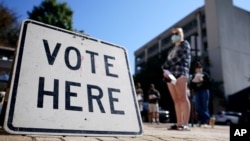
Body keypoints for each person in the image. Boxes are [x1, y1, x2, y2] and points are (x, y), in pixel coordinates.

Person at [162, 27, 191, 130]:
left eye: (177, 33)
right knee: (176, 100)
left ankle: (185, 124)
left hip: (180, 73)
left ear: (182, 34)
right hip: (170, 76)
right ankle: (179, 123)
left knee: (183, 98)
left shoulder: (185, 44)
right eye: (173, 34)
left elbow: (177, 59)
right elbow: (168, 63)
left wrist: (164, 66)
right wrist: (165, 70)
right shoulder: (171, 49)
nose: (175, 35)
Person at [190, 61, 211, 127]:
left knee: (204, 106)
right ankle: (208, 117)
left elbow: (209, 83)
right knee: (198, 107)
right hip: (197, 92)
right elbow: (191, 86)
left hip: (204, 91)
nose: (198, 69)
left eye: (200, 68)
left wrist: (203, 80)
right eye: (197, 68)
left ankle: (205, 122)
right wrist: (195, 82)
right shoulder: (193, 76)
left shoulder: (205, 74)